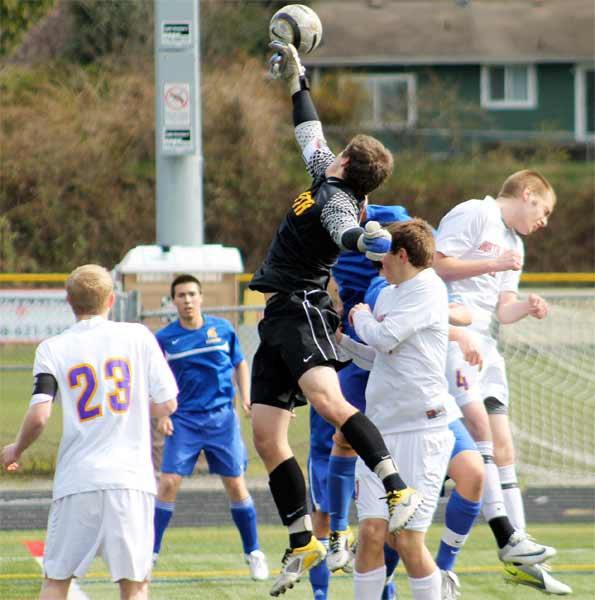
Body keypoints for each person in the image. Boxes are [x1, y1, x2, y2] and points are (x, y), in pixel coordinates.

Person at [249, 42, 422, 597]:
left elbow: (344, 227)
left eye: (340, 151)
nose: (331, 152)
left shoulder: (340, 198)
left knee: (330, 404)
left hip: (302, 307)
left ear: (349, 163)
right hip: (277, 316)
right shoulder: (329, 174)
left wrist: (360, 239)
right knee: (267, 435)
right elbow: (309, 131)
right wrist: (298, 80)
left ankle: (396, 486)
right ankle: (303, 539)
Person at [324, 225, 484, 600]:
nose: (378, 264)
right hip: (381, 432)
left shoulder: (428, 289)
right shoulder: (389, 295)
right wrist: (342, 341)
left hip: (422, 430)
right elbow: (379, 356)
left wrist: (358, 317)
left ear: (402, 255)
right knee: (371, 534)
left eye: (384, 255)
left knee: (408, 540)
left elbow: (383, 337)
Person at [0, 264, 179, 600]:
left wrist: (16, 449)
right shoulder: (138, 336)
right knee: (135, 585)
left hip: (77, 479)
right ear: (111, 299)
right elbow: (168, 402)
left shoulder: (53, 348)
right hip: (130, 481)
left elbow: (39, 415)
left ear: (69, 301)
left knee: (56, 580)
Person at [434, 170, 571, 595]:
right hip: (457, 340)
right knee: (478, 434)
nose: (545, 221)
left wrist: (525, 307)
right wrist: (492, 262)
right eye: (543, 210)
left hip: (488, 347)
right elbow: (437, 264)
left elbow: (503, 307)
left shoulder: (517, 244)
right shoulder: (475, 213)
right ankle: (508, 539)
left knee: (503, 443)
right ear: (526, 194)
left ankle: (520, 550)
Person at [308, 203, 411, 600]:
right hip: (352, 353)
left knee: (397, 511)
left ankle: (386, 579)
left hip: (388, 359)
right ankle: (336, 534)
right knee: (335, 441)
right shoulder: (323, 220)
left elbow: (428, 258)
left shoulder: (393, 220)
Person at [152, 274, 269, 581]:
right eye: (181, 295)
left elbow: (240, 363)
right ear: (173, 301)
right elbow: (155, 379)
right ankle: (149, 554)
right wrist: (162, 413)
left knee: (235, 484)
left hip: (221, 419)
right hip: (184, 420)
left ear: (201, 298)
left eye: (192, 294)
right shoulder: (165, 339)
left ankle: (254, 552)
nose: (187, 300)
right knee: (168, 483)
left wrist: (246, 397)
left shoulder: (223, 329)